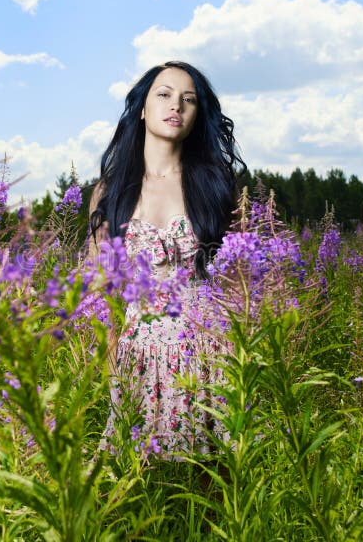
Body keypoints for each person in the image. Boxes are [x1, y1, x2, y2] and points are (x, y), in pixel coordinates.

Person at [88, 61, 246, 457]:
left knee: (210, 485)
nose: (176, 105)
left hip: (207, 355)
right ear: (142, 108)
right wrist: (111, 374)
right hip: (136, 360)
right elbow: (102, 293)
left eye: (188, 100)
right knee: (135, 486)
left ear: (196, 117)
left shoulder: (216, 188)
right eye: (164, 94)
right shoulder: (110, 192)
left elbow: (240, 287)